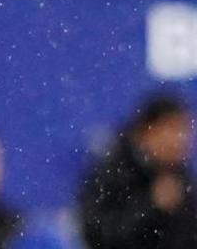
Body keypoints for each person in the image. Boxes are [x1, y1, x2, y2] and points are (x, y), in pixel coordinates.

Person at [79, 92, 197, 249]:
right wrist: (152, 206)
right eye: (171, 129)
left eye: (184, 130)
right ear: (146, 131)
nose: (180, 139)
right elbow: (97, 234)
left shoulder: (181, 177)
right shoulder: (113, 172)